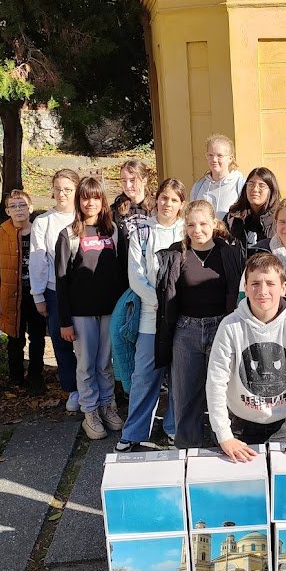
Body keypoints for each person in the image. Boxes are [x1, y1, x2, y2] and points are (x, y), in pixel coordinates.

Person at [206, 252, 286, 462]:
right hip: (240, 424)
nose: (262, 291)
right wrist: (224, 435)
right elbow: (216, 381)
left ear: (283, 287)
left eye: (270, 283)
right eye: (255, 284)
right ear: (245, 287)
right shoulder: (230, 326)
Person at [155, 199, 244, 449]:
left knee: (222, 393)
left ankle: (223, 445)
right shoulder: (176, 254)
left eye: (203, 224)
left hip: (221, 328)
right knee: (186, 396)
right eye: (191, 225)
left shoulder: (229, 253)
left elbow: (236, 291)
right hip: (186, 331)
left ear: (214, 223)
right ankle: (188, 448)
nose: (197, 230)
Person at [115, 179, 186, 452]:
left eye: (174, 200)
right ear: (156, 199)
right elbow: (136, 276)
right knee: (144, 375)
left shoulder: (187, 231)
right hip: (151, 315)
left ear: (181, 204)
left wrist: (175, 306)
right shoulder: (142, 232)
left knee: (179, 376)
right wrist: (159, 302)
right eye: (164, 198)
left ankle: (174, 428)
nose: (168, 203)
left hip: (181, 316)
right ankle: (134, 431)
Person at [56, 176, 128, 441]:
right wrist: (65, 321)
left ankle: (108, 406)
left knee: (105, 364)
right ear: (79, 201)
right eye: (85, 198)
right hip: (81, 313)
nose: (90, 203)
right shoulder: (69, 235)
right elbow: (61, 281)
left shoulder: (114, 231)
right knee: (86, 365)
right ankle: (90, 412)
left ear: (102, 201)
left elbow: (123, 272)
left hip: (110, 310)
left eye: (95, 197)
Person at [0, 189, 46, 391]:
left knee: (37, 337)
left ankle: (36, 375)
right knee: (15, 338)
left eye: (22, 205)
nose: (18, 210)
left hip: (36, 295)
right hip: (11, 296)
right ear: (7, 211)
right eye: (13, 206)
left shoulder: (40, 232)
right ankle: (16, 378)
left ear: (30, 208)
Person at [30, 168, 80, 410]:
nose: (62, 194)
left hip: (85, 291)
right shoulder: (43, 222)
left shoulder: (86, 216)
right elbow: (38, 261)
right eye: (58, 189)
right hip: (54, 290)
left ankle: (95, 386)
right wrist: (38, 295)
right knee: (62, 342)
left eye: (68, 189)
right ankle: (73, 389)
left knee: (90, 342)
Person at [224, 167, 280, 253]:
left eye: (261, 185)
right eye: (251, 184)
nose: (255, 189)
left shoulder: (279, 219)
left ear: (271, 190)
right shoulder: (233, 217)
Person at [190, 134, 245, 220]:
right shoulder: (198, 187)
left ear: (230, 158)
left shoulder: (240, 185)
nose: (214, 160)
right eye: (210, 155)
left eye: (219, 156)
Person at [110, 159, 156, 233]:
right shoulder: (115, 210)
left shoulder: (157, 207)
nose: (128, 185)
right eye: (124, 181)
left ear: (144, 180)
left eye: (132, 180)